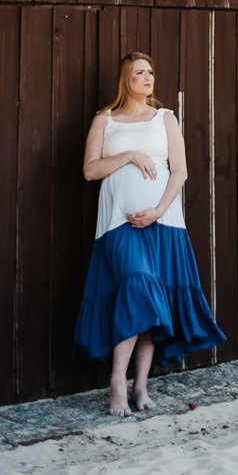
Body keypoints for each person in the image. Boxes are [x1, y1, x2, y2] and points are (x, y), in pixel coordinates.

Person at [73, 51, 225, 415]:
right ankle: (116, 382)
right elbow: (90, 170)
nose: (148, 77)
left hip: (164, 223)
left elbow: (181, 172)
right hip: (118, 224)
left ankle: (140, 386)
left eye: (151, 72)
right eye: (140, 72)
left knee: (152, 303)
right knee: (137, 286)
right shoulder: (105, 119)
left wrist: (158, 210)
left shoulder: (165, 118)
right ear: (126, 78)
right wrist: (128, 156)